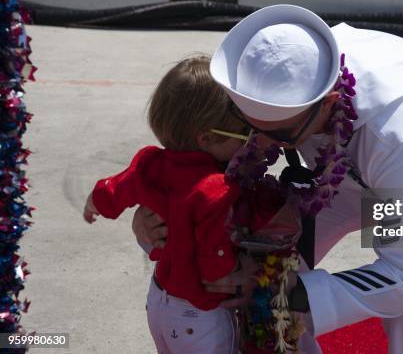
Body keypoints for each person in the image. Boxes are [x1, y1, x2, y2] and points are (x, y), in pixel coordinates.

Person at [133, 5, 403, 353]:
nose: (263, 144)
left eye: (280, 136)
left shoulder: (402, 129)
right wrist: (158, 213)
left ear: (330, 102)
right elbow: (200, 165)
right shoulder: (284, 69)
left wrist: (298, 293)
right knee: (268, 261)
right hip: (347, 175)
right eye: (251, 129)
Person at [83, 55, 286, 353]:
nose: (249, 141)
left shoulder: (150, 161)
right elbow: (214, 260)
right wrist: (238, 275)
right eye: (244, 133)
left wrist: (95, 202)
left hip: (159, 301)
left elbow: (114, 191)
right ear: (206, 138)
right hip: (199, 315)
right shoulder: (215, 189)